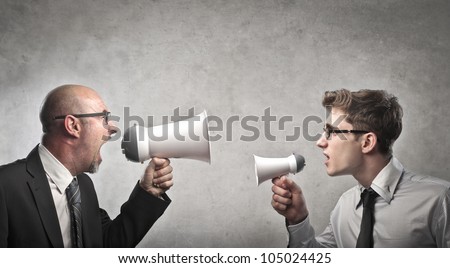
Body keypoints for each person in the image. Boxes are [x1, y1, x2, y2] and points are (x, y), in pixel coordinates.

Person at [271, 89, 450, 247]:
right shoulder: (345, 205)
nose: (320, 142)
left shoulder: (439, 199)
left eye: (331, 132)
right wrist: (298, 220)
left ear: (367, 142)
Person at [0, 84, 174, 247]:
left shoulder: (82, 185)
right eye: (104, 118)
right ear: (73, 126)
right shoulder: (5, 185)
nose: (113, 128)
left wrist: (148, 192)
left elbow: (105, 244)